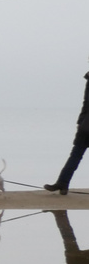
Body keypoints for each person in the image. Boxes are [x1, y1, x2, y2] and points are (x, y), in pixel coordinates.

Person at [43, 56, 89, 195]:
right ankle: (62, 183)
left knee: (75, 155)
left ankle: (62, 183)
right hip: (85, 125)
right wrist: (80, 122)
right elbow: (86, 104)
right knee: (75, 155)